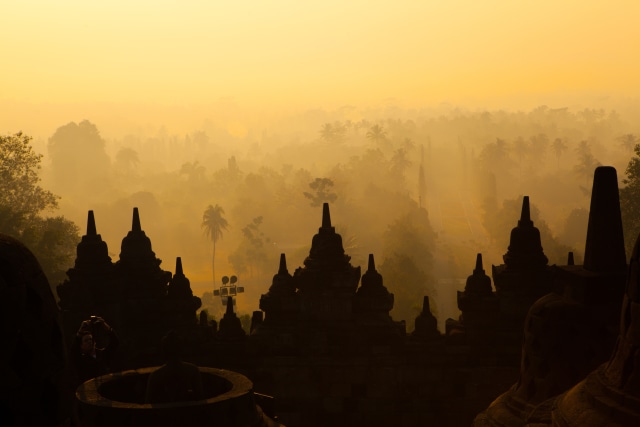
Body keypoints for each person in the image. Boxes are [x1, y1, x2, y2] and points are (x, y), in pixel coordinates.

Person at [145, 330, 204, 404]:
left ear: (164, 351)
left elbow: (148, 403)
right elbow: (200, 398)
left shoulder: (156, 375)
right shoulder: (192, 370)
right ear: (181, 350)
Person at [70, 316, 119, 384]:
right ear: (81, 346)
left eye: (90, 339)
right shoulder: (80, 361)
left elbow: (115, 342)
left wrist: (104, 325)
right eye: (86, 341)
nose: (89, 341)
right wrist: (81, 330)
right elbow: (74, 350)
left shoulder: (103, 354)